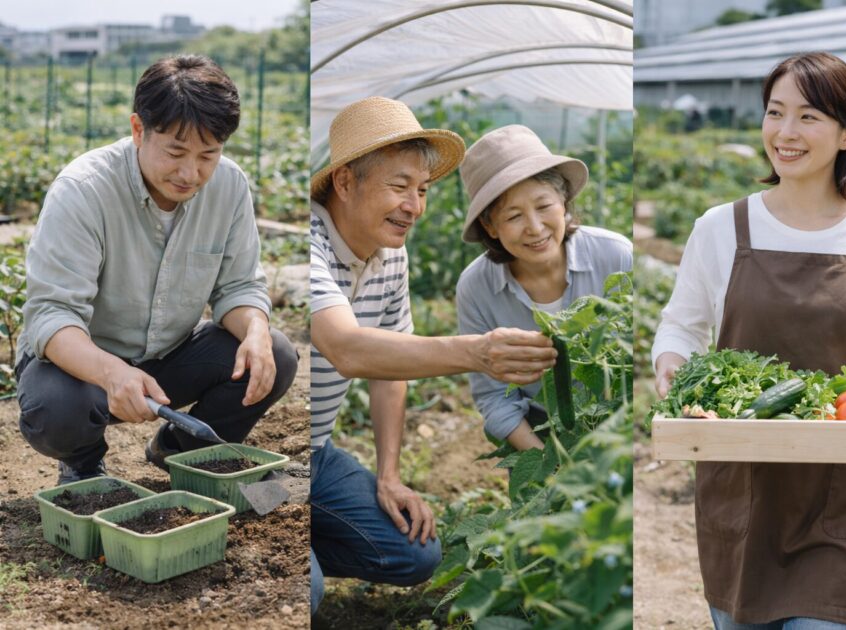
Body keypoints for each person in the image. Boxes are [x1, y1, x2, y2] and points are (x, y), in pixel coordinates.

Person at [652, 52, 846, 629]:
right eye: (774, 112)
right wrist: (674, 370)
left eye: (808, 117)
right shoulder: (719, 228)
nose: (784, 132)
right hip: (745, 489)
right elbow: (680, 325)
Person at [309, 97, 558, 615]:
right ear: (346, 183)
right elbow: (350, 350)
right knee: (301, 594)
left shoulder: (391, 253)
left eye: (421, 191)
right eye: (399, 187)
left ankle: (301, 541)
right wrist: (476, 352)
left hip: (314, 453)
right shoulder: (310, 246)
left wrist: (390, 474)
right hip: (271, 455)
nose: (414, 206)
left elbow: (387, 371)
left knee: (414, 554)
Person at [16, 55, 299, 486]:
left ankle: (181, 450)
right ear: (138, 130)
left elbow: (239, 286)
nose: (191, 173)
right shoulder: (84, 191)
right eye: (175, 152)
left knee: (274, 353)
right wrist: (112, 372)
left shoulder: (229, 186)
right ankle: (84, 461)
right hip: (83, 367)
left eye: (209, 154)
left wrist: (256, 331)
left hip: (169, 356)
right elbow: (52, 315)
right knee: (57, 408)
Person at [455, 125, 632, 450]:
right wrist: (550, 466)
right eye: (513, 216)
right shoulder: (475, 287)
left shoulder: (616, 256)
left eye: (543, 206)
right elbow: (494, 398)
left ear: (563, 201)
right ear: (490, 226)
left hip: (618, 419)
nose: (535, 228)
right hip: (537, 429)